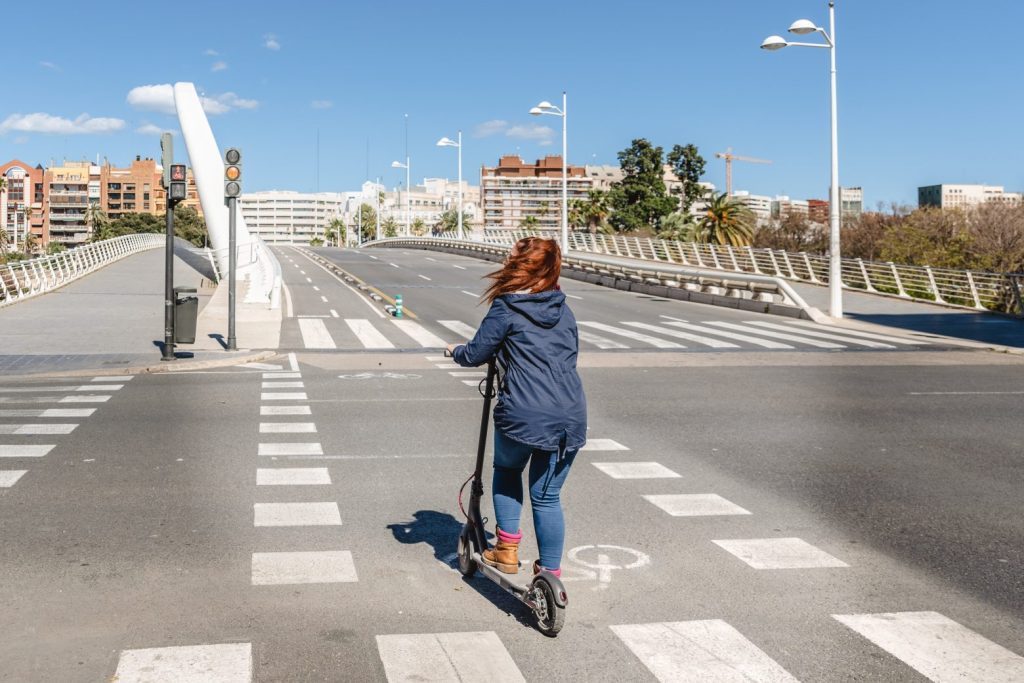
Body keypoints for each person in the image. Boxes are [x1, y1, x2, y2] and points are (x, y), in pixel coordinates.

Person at [447, 237, 587, 577]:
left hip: (524, 411)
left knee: (508, 471)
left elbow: (477, 353)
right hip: (570, 413)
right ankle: (550, 577)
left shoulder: (506, 307)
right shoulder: (563, 309)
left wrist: (455, 351)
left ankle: (507, 549)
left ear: (519, 266)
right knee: (547, 497)